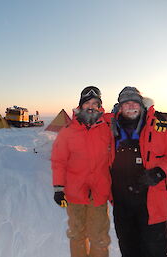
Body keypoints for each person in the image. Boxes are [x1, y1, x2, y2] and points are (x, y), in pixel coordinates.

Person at [109, 86, 167, 257]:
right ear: (119, 107)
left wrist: (160, 172)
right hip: (122, 206)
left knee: (156, 250)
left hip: (153, 204)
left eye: (135, 103)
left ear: (142, 105)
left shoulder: (158, 126)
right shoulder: (109, 128)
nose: (131, 106)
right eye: (126, 103)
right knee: (129, 249)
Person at [51, 86, 112, 257]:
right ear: (80, 106)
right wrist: (58, 188)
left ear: (100, 106)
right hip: (74, 193)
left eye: (95, 103)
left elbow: (130, 116)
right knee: (77, 234)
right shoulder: (68, 131)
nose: (91, 106)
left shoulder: (107, 128)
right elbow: (59, 161)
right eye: (87, 103)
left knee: (99, 237)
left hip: (99, 193)